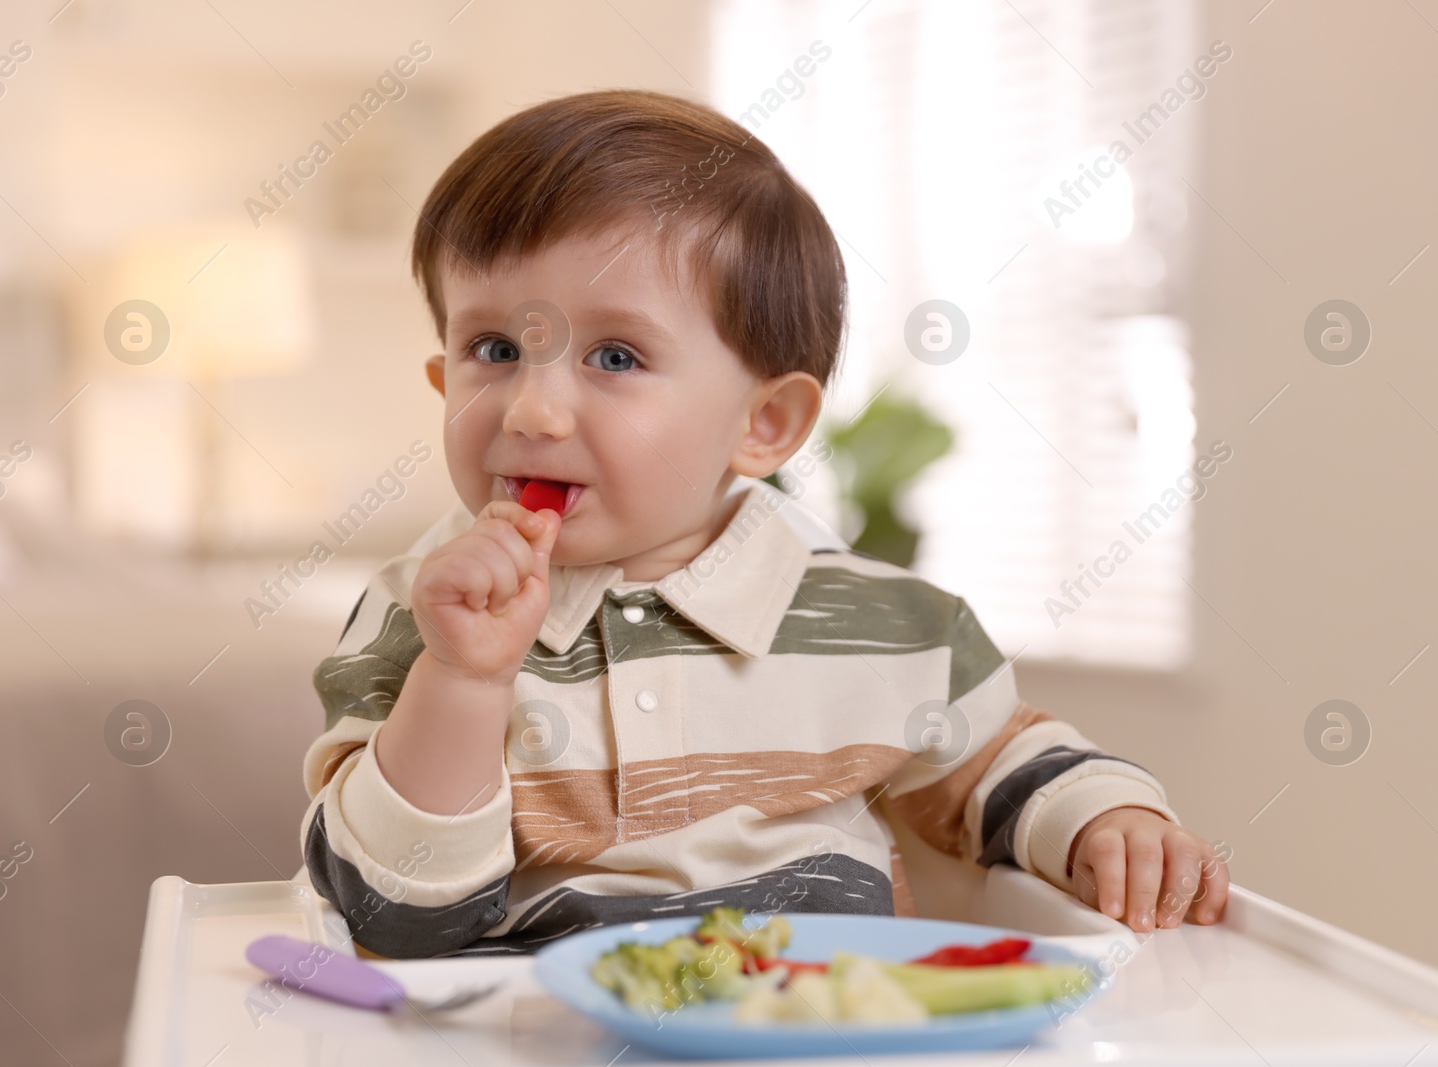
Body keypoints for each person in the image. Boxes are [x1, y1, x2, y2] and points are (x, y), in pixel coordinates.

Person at [299, 88, 1228, 958]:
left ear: (763, 425)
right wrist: (464, 679)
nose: (532, 411)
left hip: (827, 1026)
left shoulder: (882, 624)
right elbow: (396, 914)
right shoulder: (422, 615)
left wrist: (1109, 822)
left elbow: (1001, 764)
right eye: (494, 349)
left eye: (615, 355)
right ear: (442, 384)